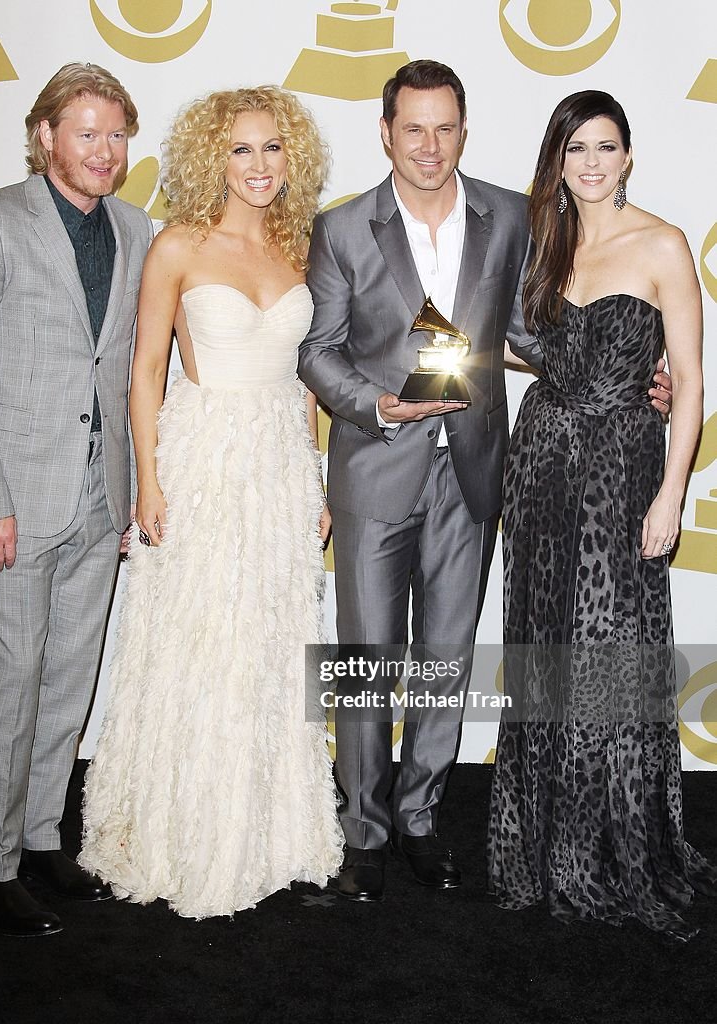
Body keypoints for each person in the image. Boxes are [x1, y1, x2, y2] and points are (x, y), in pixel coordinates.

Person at [297, 61, 671, 904]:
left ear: (465, 130)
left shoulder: (510, 215)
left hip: (475, 469)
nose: (430, 146)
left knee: (444, 657)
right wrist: (376, 405)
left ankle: (421, 818)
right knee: (367, 659)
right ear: (386, 132)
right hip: (375, 466)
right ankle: (364, 832)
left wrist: (635, 374)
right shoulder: (344, 229)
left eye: (446, 128)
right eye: (414, 128)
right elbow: (317, 351)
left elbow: (540, 325)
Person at [79, 86, 344, 919]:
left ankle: (266, 835)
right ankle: (178, 835)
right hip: (202, 460)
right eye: (241, 150)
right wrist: (150, 481)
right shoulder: (178, 246)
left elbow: (306, 378)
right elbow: (144, 370)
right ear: (211, 159)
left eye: (272, 149)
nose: (259, 166)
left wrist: (317, 473)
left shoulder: (302, 251)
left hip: (279, 470)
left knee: (269, 648)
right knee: (197, 646)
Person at [487, 90, 717, 940]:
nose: (590, 161)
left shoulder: (662, 243)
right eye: (574, 147)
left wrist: (672, 493)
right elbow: (526, 346)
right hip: (542, 463)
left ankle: (610, 844)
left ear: (628, 156)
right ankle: (540, 845)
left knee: (612, 648)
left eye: (605, 146)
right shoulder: (546, 242)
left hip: (624, 472)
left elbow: (688, 383)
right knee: (544, 642)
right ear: (557, 158)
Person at [0, 63, 153, 937]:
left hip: (102, 498)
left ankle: (36, 840)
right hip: (17, 501)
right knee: (15, 675)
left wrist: (137, 490)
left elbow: (130, 366)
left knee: (69, 681)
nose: (105, 150)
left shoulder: (138, 229)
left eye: (117, 134)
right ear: (46, 138)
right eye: (87, 132)